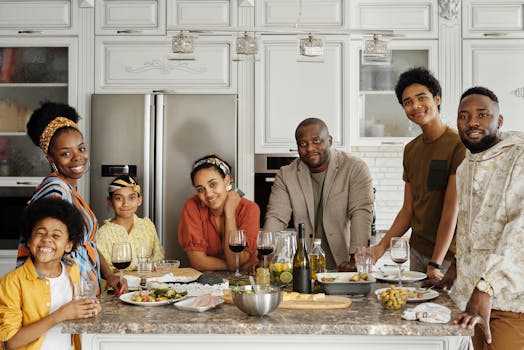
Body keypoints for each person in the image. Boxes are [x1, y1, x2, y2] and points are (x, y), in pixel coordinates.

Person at [434, 86, 524, 349]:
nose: (471, 122)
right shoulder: (466, 166)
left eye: (482, 115)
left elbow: (520, 231)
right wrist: (456, 267)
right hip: (474, 298)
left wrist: (486, 287)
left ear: (499, 120)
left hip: (510, 301)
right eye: (463, 116)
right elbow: (473, 227)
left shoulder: (519, 159)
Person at [18, 101, 126, 295]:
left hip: (83, 295)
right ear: (51, 157)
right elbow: (47, 252)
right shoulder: (55, 192)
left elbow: (86, 244)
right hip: (63, 299)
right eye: (66, 153)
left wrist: (109, 275)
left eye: (81, 149)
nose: (78, 158)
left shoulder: (68, 190)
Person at [372, 67, 466, 280]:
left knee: (445, 312)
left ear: (437, 99)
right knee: (415, 311)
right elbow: (408, 210)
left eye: (422, 98)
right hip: (417, 251)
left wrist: (436, 263)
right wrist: (380, 248)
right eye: (407, 102)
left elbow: (451, 209)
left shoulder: (458, 146)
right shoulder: (411, 150)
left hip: (448, 257)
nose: (415, 106)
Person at [263, 117, 374, 271]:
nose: (309, 148)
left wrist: (355, 257)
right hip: (304, 265)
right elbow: (276, 216)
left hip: (343, 264)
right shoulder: (286, 174)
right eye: (303, 144)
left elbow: (361, 213)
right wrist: (266, 254)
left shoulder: (354, 168)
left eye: (316, 141)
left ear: (329, 140)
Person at [0, 198, 101, 350]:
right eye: (40, 233)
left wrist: (88, 309)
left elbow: (73, 314)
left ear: (68, 245)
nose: (46, 239)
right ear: (29, 240)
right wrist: (60, 315)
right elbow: (10, 342)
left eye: (56, 235)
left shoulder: (71, 269)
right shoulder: (12, 283)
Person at [178, 155, 260, 272]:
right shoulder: (192, 207)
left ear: (226, 181)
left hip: (245, 282)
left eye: (213, 184)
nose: (209, 194)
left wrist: (229, 213)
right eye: (201, 189)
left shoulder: (249, 209)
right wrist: (236, 266)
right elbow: (198, 262)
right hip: (206, 283)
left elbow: (235, 259)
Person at [96, 175, 165, 271]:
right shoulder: (103, 234)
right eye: (119, 198)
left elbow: (158, 258)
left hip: (147, 283)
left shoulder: (147, 226)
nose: (125, 204)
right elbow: (104, 270)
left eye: (131, 198)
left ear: (139, 200)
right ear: (110, 202)